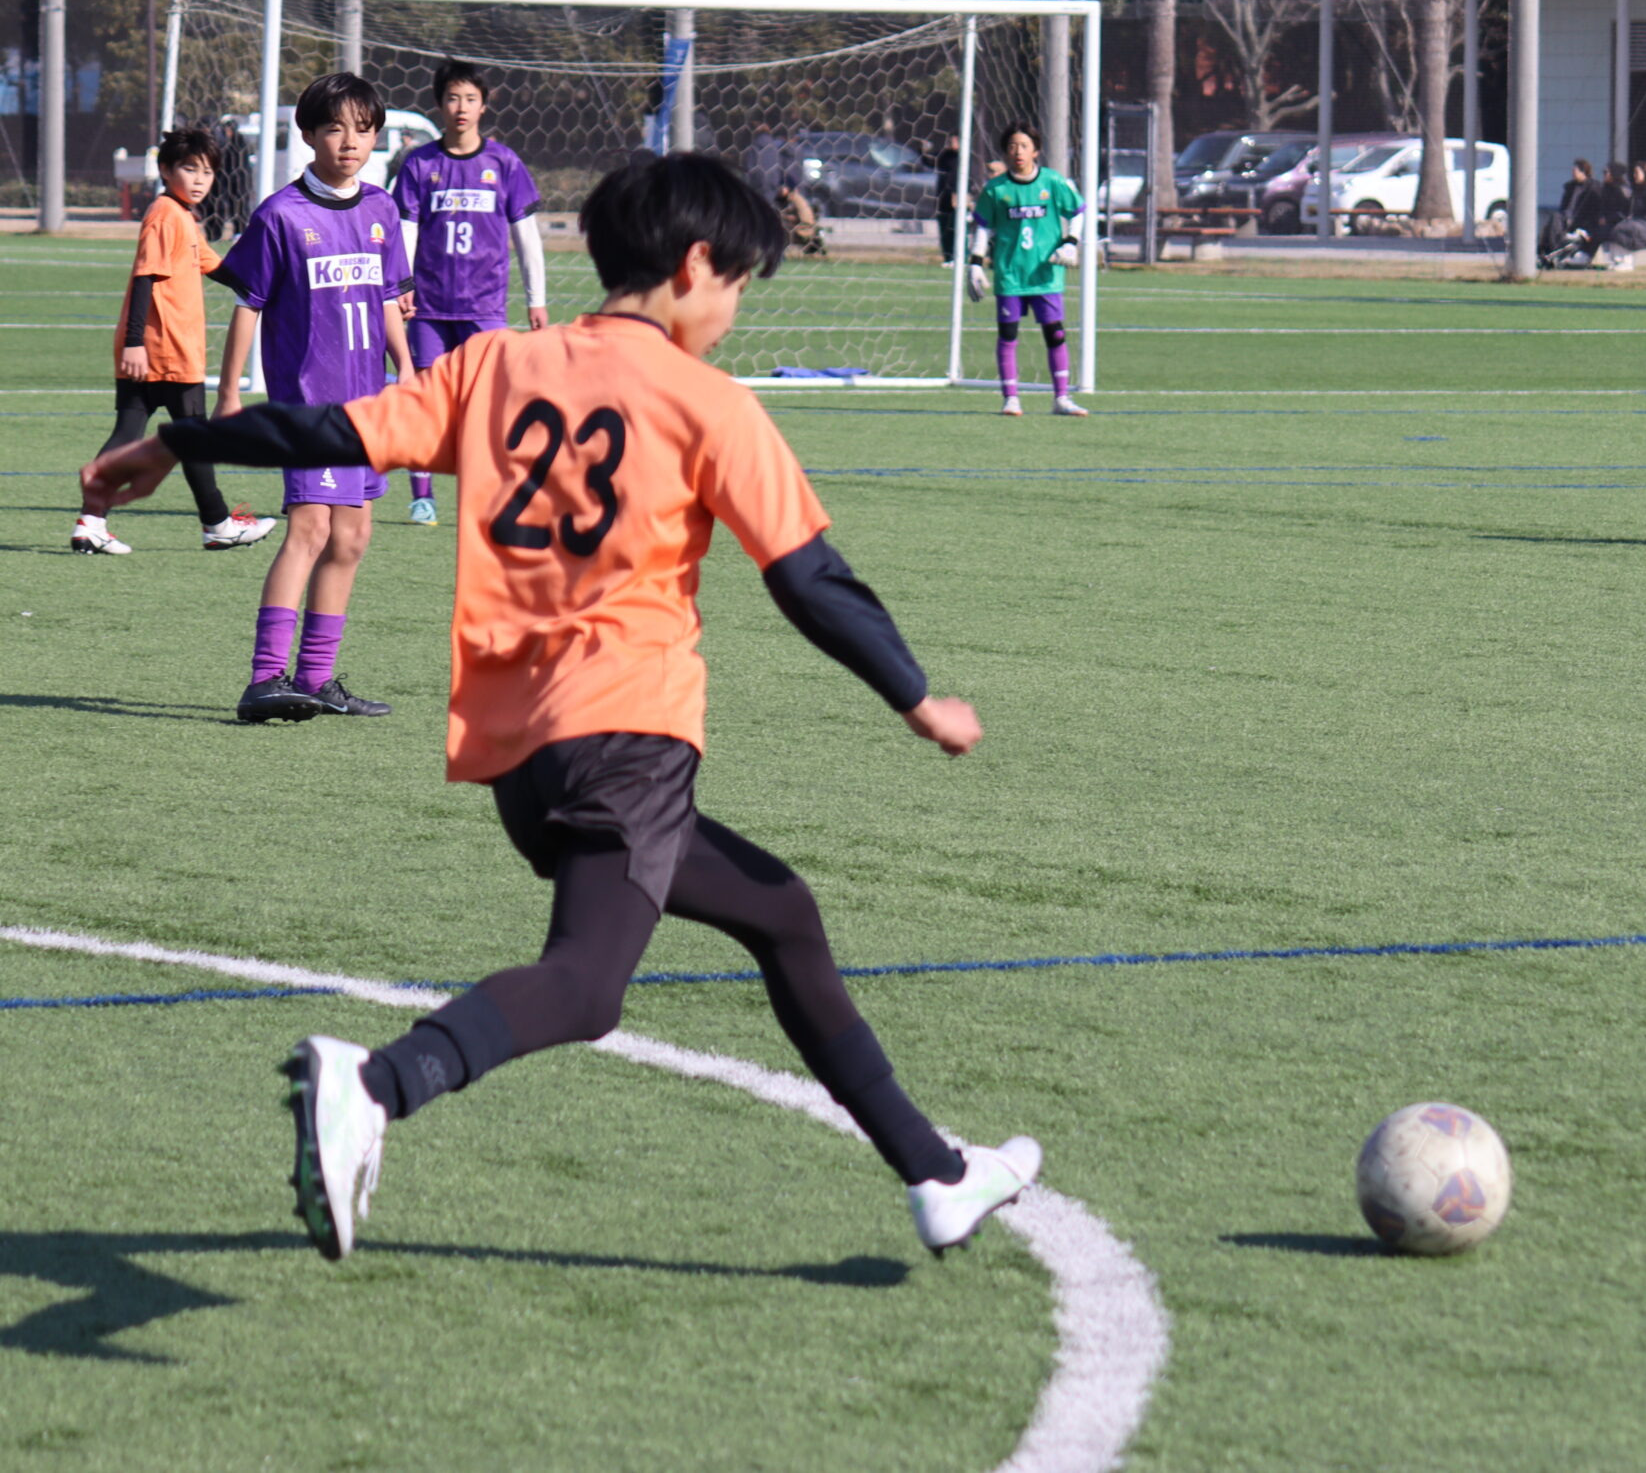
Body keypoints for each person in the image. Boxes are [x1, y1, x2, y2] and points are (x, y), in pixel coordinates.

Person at [79, 153, 1040, 1265]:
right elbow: (810, 578)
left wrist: (176, 441)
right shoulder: (706, 401)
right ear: (695, 265)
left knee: (781, 913)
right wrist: (919, 699)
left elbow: (330, 431)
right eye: (737, 286)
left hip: (522, 753)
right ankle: (374, 1086)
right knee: (586, 986)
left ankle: (936, 1173)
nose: (733, 312)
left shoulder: (496, 363)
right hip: (627, 735)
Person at [211, 72, 415, 722]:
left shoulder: (381, 210)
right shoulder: (280, 215)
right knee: (311, 528)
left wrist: (407, 368)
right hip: (307, 404)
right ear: (306, 135)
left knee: (352, 536)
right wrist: (229, 394)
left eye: (363, 129)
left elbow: (388, 299)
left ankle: (317, 679)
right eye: (334, 128)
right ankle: (264, 678)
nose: (349, 141)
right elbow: (249, 305)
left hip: (366, 405)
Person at [70, 130, 278, 556]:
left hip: (155, 348)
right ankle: (217, 524)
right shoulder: (166, 214)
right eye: (189, 168)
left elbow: (213, 266)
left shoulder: (181, 215)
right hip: (166, 349)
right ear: (165, 170)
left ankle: (91, 521)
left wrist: (263, 289)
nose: (200, 179)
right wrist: (135, 341)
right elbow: (145, 277)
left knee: (130, 431)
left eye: (208, 172)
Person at [391, 59, 548, 526]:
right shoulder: (420, 163)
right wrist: (402, 285)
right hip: (428, 308)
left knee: (487, 406)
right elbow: (406, 230)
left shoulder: (504, 163)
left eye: (470, 99)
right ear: (440, 105)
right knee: (424, 400)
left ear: (484, 105)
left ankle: (486, 494)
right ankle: (422, 497)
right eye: (453, 98)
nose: (461, 107)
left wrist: (536, 298)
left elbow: (527, 235)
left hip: (485, 308)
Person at [970, 122, 1087, 417]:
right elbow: (983, 227)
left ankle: (1061, 398)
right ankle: (1011, 398)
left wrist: (1071, 242)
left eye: (1024, 146)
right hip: (1010, 274)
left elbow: (1078, 212)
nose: (1018, 152)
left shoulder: (1052, 182)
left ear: (1036, 151)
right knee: (1008, 335)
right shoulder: (996, 189)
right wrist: (975, 263)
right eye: (1012, 146)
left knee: (1055, 334)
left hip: (1045, 275)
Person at [1599, 160, 1646, 271]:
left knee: (1624, 228)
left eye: (1637, 172)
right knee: (1615, 227)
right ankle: (1617, 260)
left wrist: (1637, 219)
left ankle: (1626, 262)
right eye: (1634, 173)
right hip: (1639, 222)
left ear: (1645, 173)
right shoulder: (1637, 189)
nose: (1634, 175)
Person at [934, 134, 962, 263]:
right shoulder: (944, 156)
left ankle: (960, 257)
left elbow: (972, 176)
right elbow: (930, 162)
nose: (951, 144)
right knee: (945, 227)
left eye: (955, 141)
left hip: (960, 200)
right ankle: (948, 258)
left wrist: (963, 194)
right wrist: (922, 151)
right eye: (950, 141)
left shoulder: (966, 158)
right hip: (944, 198)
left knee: (959, 228)